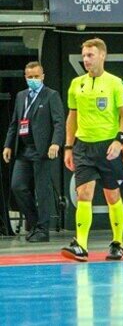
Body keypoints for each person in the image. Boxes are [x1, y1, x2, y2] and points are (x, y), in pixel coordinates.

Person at [61, 38, 123, 262]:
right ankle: (80, 244)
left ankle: (117, 243)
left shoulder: (115, 83)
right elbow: (72, 116)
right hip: (83, 146)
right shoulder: (76, 84)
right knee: (84, 193)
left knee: (112, 195)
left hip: (108, 146)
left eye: (90, 55)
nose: (86, 60)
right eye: (84, 56)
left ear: (102, 55)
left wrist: (119, 141)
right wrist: (69, 147)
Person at [3, 61, 64, 242]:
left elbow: (59, 122)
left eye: (36, 76)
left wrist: (56, 143)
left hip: (42, 150)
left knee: (42, 190)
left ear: (43, 76)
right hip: (23, 149)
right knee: (18, 186)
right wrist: (7, 145)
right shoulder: (22, 96)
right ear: (25, 77)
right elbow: (15, 122)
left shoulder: (51, 95)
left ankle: (43, 230)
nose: (33, 80)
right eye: (30, 77)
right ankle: (36, 222)